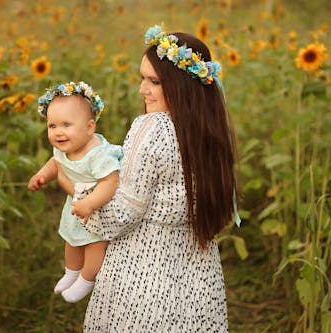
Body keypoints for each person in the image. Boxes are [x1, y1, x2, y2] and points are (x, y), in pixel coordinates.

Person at [57, 25, 240, 331]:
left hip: (143, 274)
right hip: (198, 277)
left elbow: (124, 212)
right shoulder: (212, 130)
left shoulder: (152, 128)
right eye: (142, 79)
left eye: (154, 81)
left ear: (182, 84)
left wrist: (77, 189)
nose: (143, 89)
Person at [28, 81, 122, 303]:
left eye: (66, 125)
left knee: (93, 246)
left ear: (90, 128)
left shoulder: (98, 154)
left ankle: (86, 280)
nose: (58, 133)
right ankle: (71, 272)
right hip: (75, 207)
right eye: (52, 126)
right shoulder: (64, 147)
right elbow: (55, 162)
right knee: (71, 241)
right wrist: (42, 175)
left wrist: (89, 203)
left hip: (97, 210)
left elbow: (111, 181)